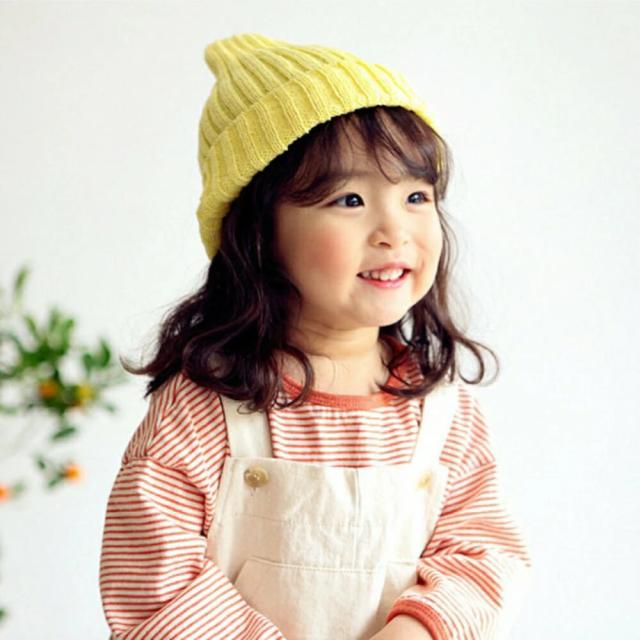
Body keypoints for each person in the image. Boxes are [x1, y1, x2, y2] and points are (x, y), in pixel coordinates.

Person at [98, 32, 532, 640]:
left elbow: (483, 554)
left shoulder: (440, 410)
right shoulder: (202, 410)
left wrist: (414, 631)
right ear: (259, 234)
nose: (394, 230)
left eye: (416, 196)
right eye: (350, 199)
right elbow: (154, 583)